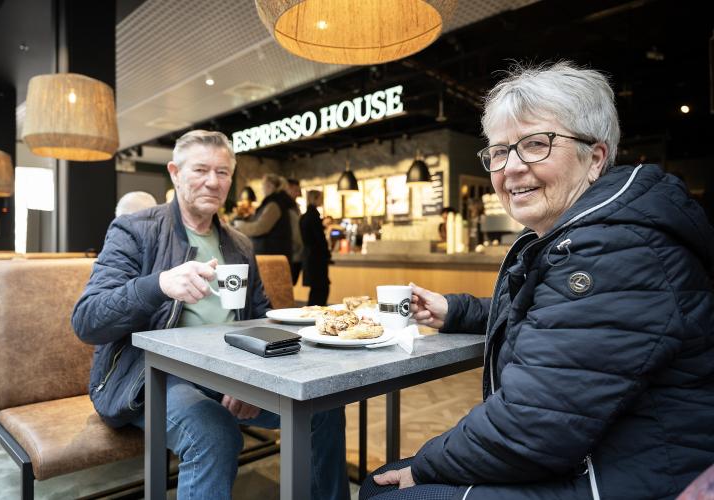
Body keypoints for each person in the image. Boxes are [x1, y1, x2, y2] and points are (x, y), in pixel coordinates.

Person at [361, 62, 714, 500]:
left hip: (619, 476)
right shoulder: (601, 234)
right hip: (608, 453)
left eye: (535, 144)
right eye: (499, 151)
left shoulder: (615, 247)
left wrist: (427, 466)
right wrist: (456, 310)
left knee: (381, 490)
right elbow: (561, 318)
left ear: (595, 158)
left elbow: (532, 427)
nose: (510, 168)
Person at [72, 130, 348, 500]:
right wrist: (159, 285)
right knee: (213, 431)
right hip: (148, 376)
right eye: (201, 169)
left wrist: (254, 381)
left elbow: (260, 319)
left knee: (323, 406)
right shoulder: (135, 230)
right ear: (175, 172)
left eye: (222, 173)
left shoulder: (238, 244)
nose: (212, 181)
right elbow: (88, 320)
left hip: (226, 373)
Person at [232, 173, 296, 267]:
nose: (262, 189)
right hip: (273, 253)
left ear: (269, 186)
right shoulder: (276, 201)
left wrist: (239, 225)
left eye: (263, 185)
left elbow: (260, 227)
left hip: (271, 255)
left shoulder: (274, 204)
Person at [300, 190, 329, 305]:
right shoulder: (314, 217)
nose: (322, 200)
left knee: (315, 290)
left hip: (309, 257)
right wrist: (327, 253)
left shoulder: (304, 217)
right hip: (317, 258)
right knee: (321, 290)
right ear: (315, 198)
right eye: (321, 198)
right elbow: (320, 239)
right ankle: (316, 316)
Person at [286, 178, 304, 285]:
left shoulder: (295, 207)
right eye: (295, 190)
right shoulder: (287, 208)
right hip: (292, 254)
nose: (298, 193)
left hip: (296, 255)